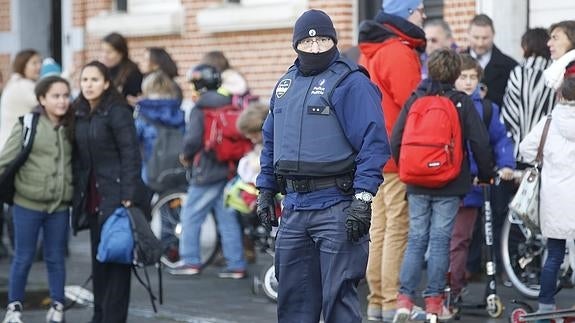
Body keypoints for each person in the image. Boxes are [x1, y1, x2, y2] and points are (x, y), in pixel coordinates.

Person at [256, 9, 390, 323]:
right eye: (308, 42)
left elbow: (374, 143)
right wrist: (265, 189)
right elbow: (270, 141)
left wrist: (363, 199)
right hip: (294, 209)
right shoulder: (285, 85)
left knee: (338, 302)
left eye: (323, 41)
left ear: (333, 41)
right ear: (297, 45)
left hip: (337, 207)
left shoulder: (350, 82)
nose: (316, 48)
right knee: (292, 302)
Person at [390, 49, 494, 323]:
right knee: (439, 241)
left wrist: (408, 167)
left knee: (415, 239)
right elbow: (480, 143)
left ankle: (404, 300)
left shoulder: (416, 98)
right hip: (450, 182)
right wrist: (486, 174)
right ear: (455, 74)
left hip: (416, 182)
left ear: (430, 70)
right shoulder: (462, 102)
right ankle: (435, 303)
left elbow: (396, 139)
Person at [357, 0, 426, 321]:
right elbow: (414, 103)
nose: (423, 14)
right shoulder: (398, 51)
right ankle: (390, 302)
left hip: (372, 151)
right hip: (395, 154)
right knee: (396, 229)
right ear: (406, 14)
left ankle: (377, 302)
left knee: (380, 229)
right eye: (418, 8)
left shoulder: (372, 50)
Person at [72, 60, 148, 323]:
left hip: (116, 197)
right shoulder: (79, 111)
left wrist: (128, 193)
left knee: (117, 261)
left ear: (106, 83)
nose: (88, 85)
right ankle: (99, 315)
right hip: (92, 199)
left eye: (94, 80)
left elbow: (131, 154)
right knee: (99, 261)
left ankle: (113, 318)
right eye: (84, 80)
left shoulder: (117, 112)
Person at [0, 76, 73, 323]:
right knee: (23, 256)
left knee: (55, 258)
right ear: (42, 99)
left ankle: (57, 307)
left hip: (59, 206)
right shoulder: (28, 124)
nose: (62, 101)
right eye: (55, 96)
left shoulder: (72, 127)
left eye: (65, 95)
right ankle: (13, 308)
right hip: (27, 204)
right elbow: (5, 161)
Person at [449, 54, 515, 302]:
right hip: (448, 183)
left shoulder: (487, 108)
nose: (468, 82)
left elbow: (500, 140)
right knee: (452, 240)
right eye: (463, 76)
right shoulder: (445, 104)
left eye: (472, 77)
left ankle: (454, 289)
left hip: (477, 185)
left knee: (462, 239)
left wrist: (506, 164)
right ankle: (449, 289)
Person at [172, 64, 247, 278]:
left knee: (190, 215)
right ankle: (236, 265)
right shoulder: (229, 103)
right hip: (228, 168)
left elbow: (193, 139)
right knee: (227, 217)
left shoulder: (200, 108)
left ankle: (190, 260)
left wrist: (185, 156)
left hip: (206, 169)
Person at [519, 72, 575, 317]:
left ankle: (545, 306)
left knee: (554, 255)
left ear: (560, 94)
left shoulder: (549, 122)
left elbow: (525, 149)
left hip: (554, 201)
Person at [502, 28, 557, 166]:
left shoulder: (518, 72)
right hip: (547, 150)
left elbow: (509, 113)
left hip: (518, 150)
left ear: (526, 46)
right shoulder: (555, 74)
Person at [134, 70, 185, 186]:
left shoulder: (143, 114)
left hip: (150, 171)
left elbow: (133, 141)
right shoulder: (178, 112)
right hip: (177, 168)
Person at [466, 14, 517, 107]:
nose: (480, 43)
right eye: (476, 37)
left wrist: (488, 94)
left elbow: (514, 102)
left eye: (485, 38)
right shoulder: (455, 63)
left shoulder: (510, 66)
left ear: (493, 35)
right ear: (468, 35)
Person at [0, 49, 42, 151]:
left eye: (40, 62)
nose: (39, 66)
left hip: (12, 144)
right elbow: (48, 103)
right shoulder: (22, 86)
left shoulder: (17, 83)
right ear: (23, 65)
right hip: (13, 148)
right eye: (34, 63)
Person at [100, 32, 143, 105]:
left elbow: (134, 100)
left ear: (121, 53)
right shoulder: (103, 70)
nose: (104, 55)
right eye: (102, 51)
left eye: (109, 52)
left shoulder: (132, 72)